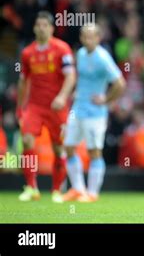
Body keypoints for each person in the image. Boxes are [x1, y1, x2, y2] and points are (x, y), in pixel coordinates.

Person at [62, 23, 126, 203]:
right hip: (77, 108)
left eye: (91, 36)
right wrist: (77, 91)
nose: (87, 40)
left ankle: (92, 193)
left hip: (95, 113)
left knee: (94, 151)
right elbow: (82, 78)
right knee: (68, 147)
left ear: (98, 38)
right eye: (84, 36)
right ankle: (77, 189)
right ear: (81, 38)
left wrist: (106, 100)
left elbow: (120, 83)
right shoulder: (81, 54)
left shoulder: (103, 58)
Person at [17, 11, 76, 203]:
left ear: (51, 28)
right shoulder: (27, 53)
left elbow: (70, 76)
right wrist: (20, 107)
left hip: (57, 107)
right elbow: (23, 81)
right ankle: (31, 187)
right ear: (34, 28)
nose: (41, 28)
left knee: (59, 149)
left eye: (45, 25)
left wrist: (62, 96)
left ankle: (57, 190)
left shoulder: (62, 49)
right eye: (38, 25)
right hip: (34, 106)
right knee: (27, 140)